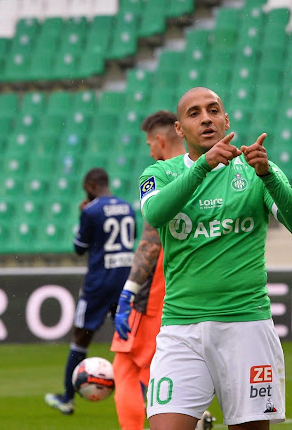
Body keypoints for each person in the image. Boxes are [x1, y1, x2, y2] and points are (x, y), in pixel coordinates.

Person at [139, 87, 292, 430]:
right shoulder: (159, 174)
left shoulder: (255, 170)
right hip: (181, 328)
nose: (206, 118)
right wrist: (203, 167)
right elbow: (156, 214)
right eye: (194, 113)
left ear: (225, 120)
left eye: (213, 110)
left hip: (246, 327)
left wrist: (268, 177)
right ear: (179, 129)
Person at [111, 111, 217, 430]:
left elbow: (150, 240)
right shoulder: (202, 173)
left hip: (156, 286)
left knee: (126, 365)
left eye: (149, 144)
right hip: (186, 285)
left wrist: (128, 291)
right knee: (157, 365)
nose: (149, 151)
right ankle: (194, 416)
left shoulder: (161, 175)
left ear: (160, 140)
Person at [45, 168, 137, 415]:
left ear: (90, 185)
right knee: (133, 341)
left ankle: (67, 398)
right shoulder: (128, 207)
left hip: (98, 284)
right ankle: (146, 395)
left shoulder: (91, 210)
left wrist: (82, 215)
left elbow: (79, 247)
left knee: (80, 337)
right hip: (125, 282)